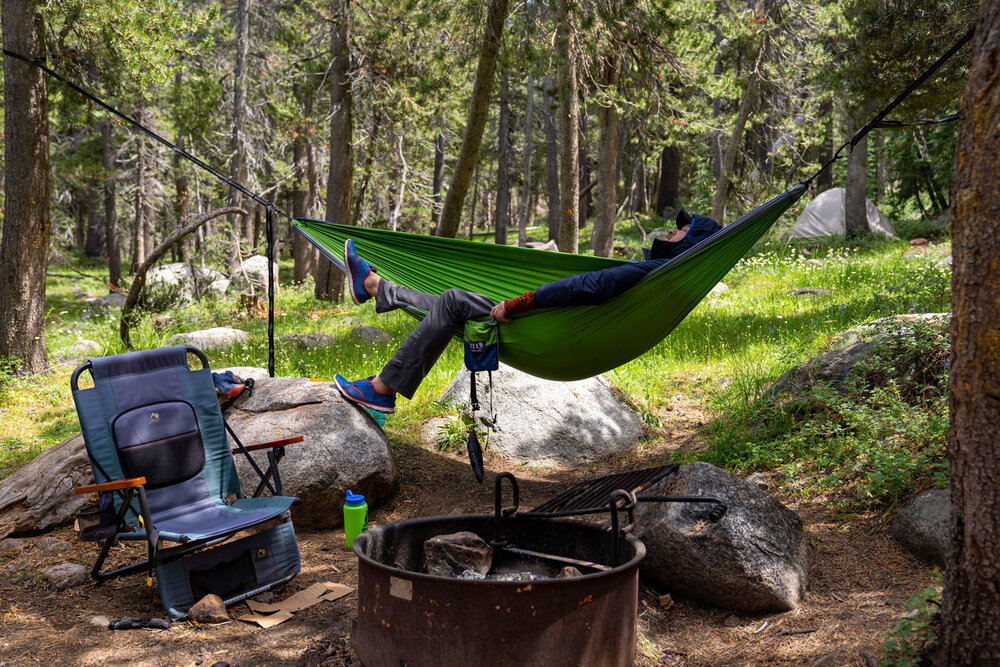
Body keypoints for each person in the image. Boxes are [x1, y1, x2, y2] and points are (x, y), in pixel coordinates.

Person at [334, 210, 722, 413]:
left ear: (691, 244)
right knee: (454, 307)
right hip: (567, 336)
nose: (671, 232)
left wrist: (521, 302)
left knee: (453, 301)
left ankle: (383, 389)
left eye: (681, 231)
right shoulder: (663, 276)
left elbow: (588, 286)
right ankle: (375, 288)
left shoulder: (650, 271)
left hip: (553, 330)